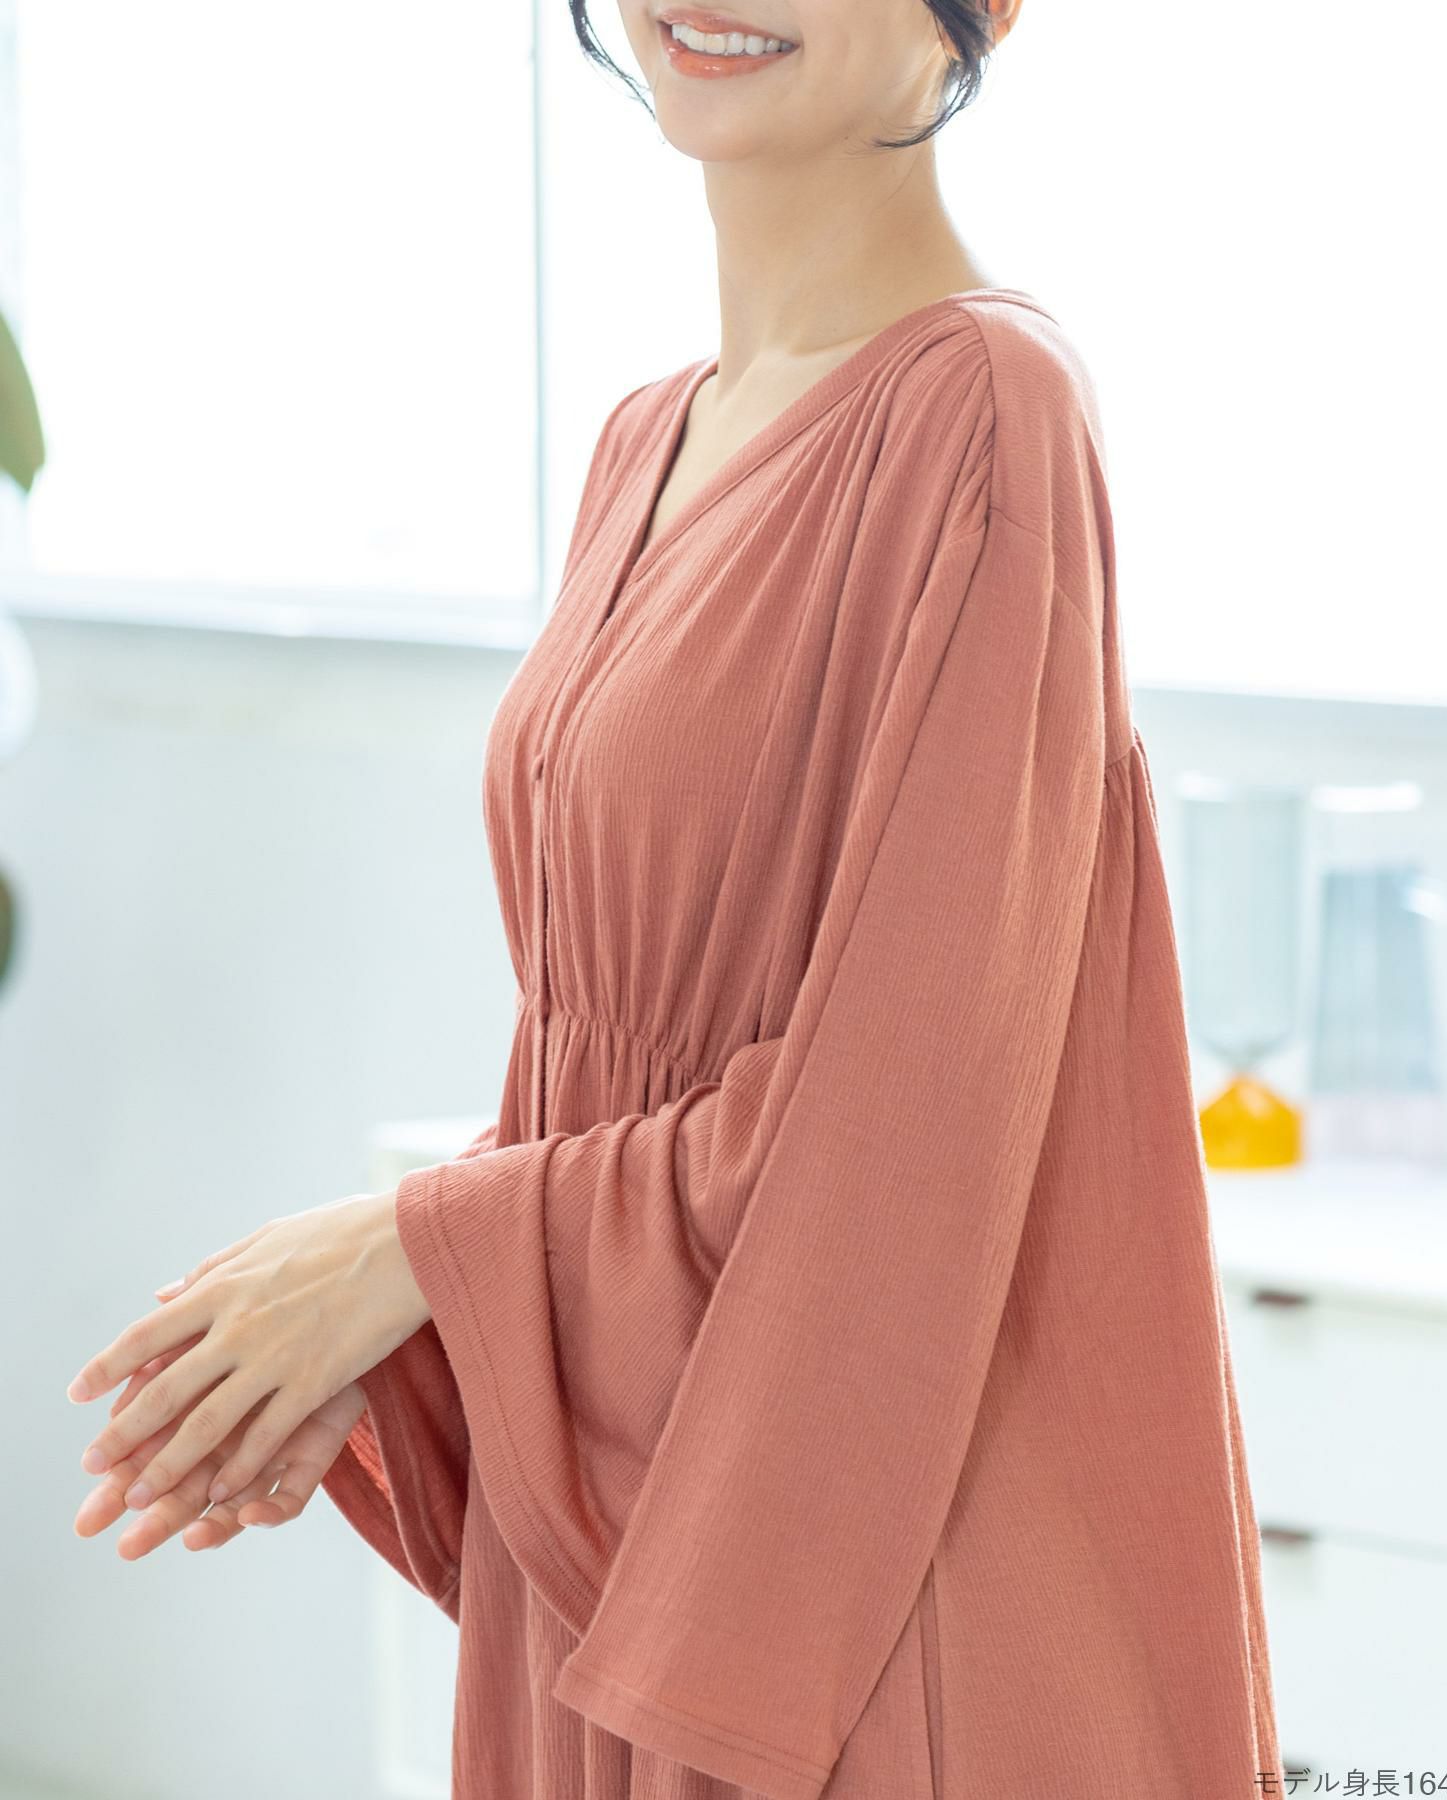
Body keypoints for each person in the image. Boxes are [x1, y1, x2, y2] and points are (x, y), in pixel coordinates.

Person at [67, 2, 1284, 1794]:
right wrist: (424, 1327)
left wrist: (413, 1250)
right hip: (650, 1509)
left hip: (861, 1556)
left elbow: (903, 1120)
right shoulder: (646, 436)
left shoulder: (985, 408)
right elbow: (610, 1064)